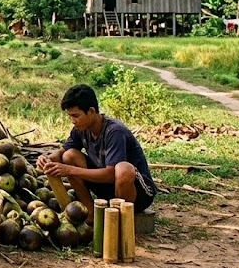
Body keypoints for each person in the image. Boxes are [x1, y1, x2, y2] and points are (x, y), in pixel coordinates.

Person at [36, 84, 156, 213]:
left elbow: (111, 174)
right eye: (70, 116)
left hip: (138, 195)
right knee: (69, 155)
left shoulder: (114, 131)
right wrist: (47, 159)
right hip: (109, 191)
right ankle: (90, 212)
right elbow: (62, 152)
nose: (72, 121)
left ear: (91, 111)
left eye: (76, 116)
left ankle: (121, 219)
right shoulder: (80, 129)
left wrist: (70, 170)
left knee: (123, 169)